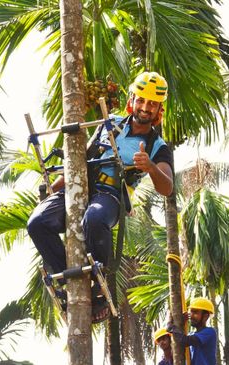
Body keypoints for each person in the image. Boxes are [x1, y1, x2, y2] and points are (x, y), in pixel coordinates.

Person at [27, 71, 173, 322]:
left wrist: (149, 166)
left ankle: (98, 281)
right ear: (133, 99)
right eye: (141, 100)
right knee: (38, 223)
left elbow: (167, 187)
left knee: (93, 219)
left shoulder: (157, 146)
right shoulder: (110, 124)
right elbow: (80, 160)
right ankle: (72, 279)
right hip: (80, 186)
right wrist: (56, 188)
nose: (145, 107)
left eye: (152, 104)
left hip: (110, 195)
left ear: (159, 109)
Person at [167, 297, 217, 365]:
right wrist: (181, 323)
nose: (191, 315)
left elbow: (185, 340)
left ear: (205, 316)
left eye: (195, 312)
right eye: (191, 312)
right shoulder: (190, 334)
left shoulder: (210, 332)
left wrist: (170, 326)